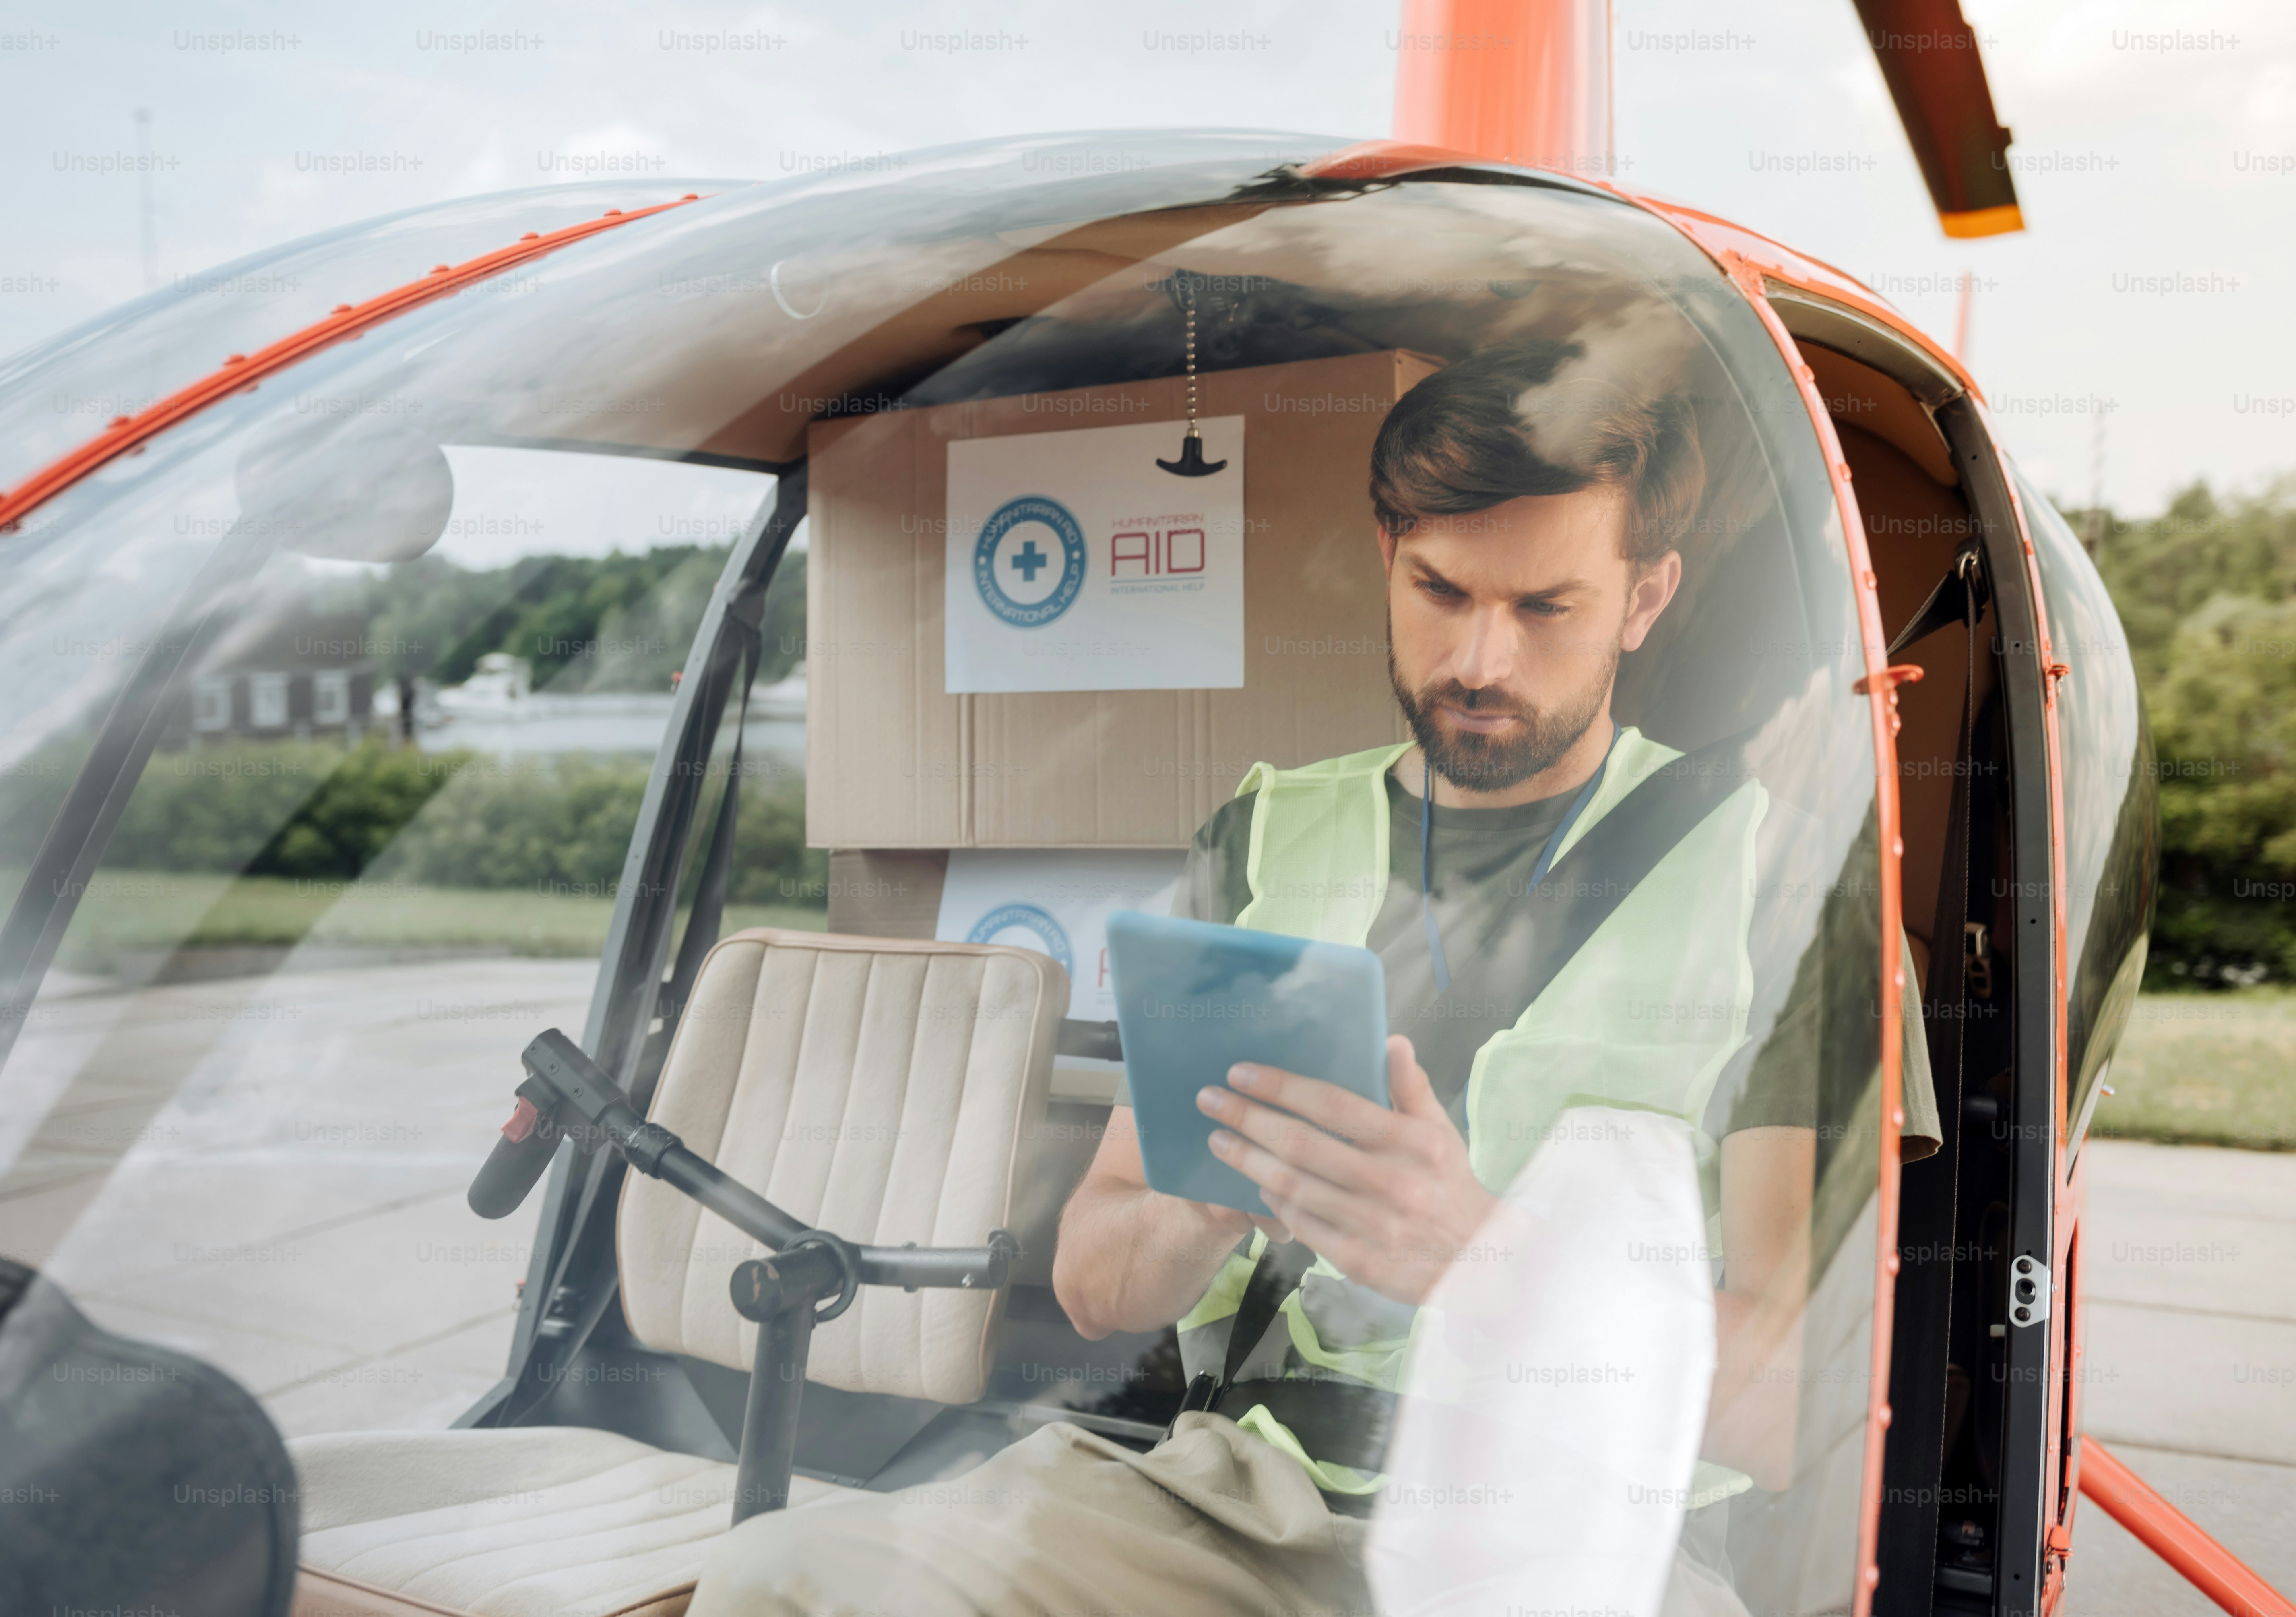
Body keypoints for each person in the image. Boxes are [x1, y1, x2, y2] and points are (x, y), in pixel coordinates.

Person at [692, 341, 1939, 1617]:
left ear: (1645, 597)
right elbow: (1094, 1282)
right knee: (773, 1579)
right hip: (1231, 1502)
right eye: (1440, 590)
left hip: (1577, 1535)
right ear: (1386, 556)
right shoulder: (1262, 838)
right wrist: (1220, 1196)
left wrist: (1482, 1259)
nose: (1481, 662)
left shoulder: (1786, 885)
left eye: (1545, 608)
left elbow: (1806, 1412)